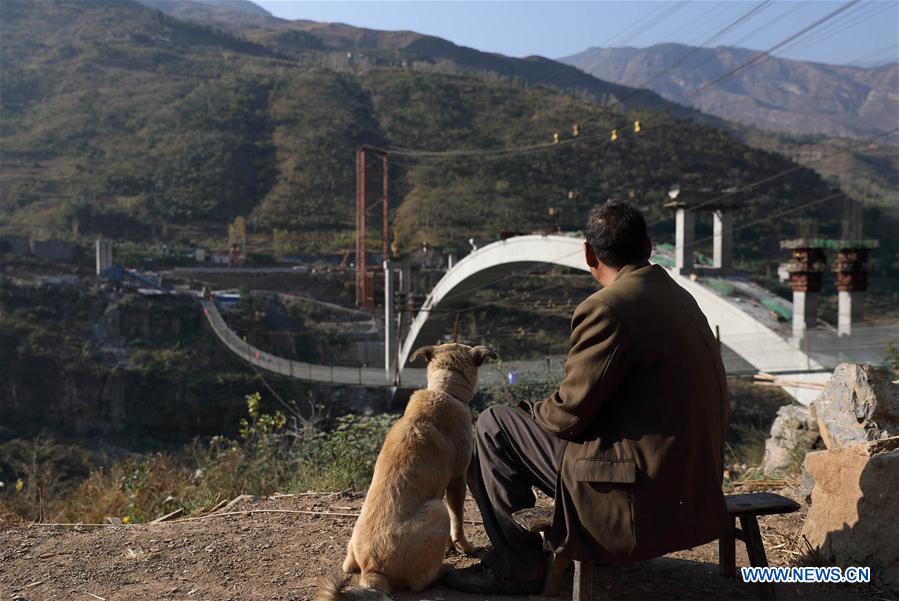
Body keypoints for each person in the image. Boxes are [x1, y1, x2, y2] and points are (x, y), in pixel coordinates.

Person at [444, 201, 731, 594]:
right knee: (518, 425)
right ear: (648, 248)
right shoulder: (680, 297)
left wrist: (529, 414)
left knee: (496, 424)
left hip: (640, 493)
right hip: (692, 484)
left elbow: (568, 415)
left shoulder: (607, 307)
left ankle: (518, 566)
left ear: (588, 254)